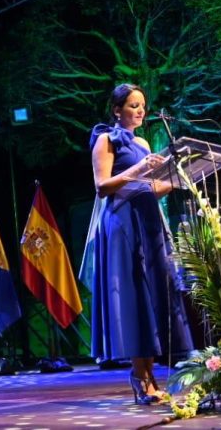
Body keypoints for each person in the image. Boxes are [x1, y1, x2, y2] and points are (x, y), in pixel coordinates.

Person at [86, 83, 193, 405]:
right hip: (122, 224)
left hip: (149, 222)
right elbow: (102, 186)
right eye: (133, 105)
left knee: (154, 296)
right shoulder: (106, 139)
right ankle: (139, 376)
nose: (141, 110)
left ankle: (152, 376)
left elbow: (149, 188)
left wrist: (176, 179)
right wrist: (137, 170)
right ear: (117, 109)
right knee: (133, 296)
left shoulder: (144, 142)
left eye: (142, 105)